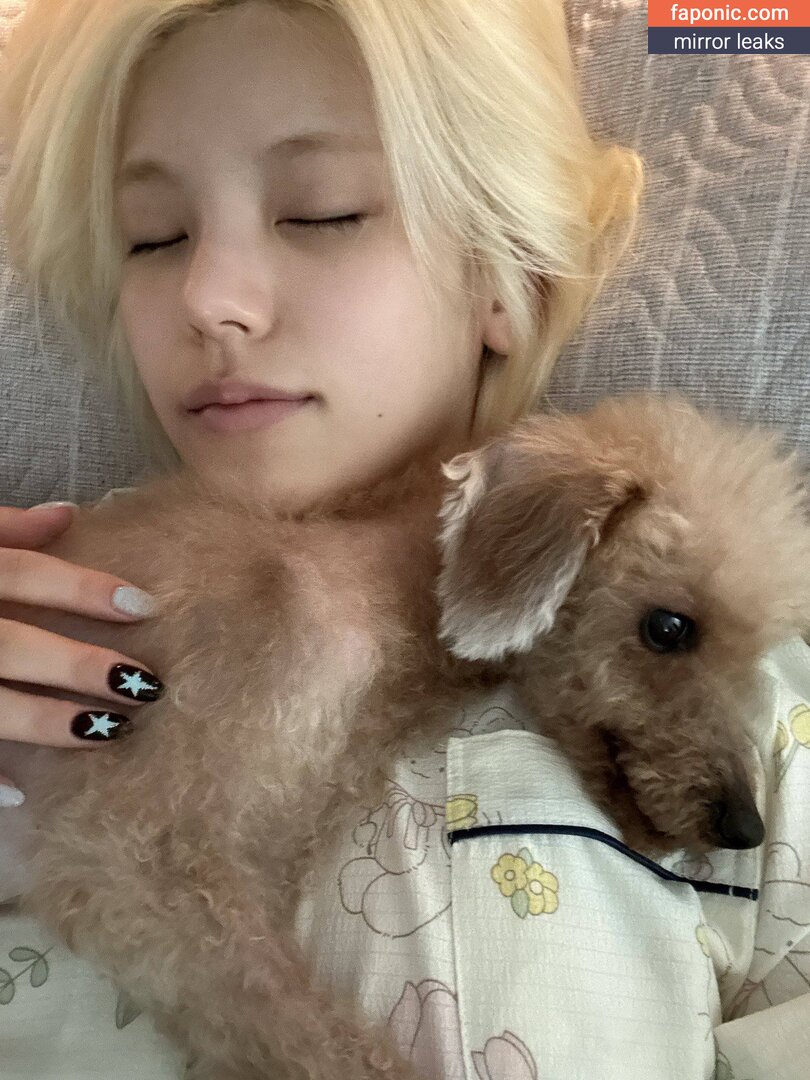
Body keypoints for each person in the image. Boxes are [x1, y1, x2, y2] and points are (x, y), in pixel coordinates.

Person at [0, 2, 806, 1078]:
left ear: (507, 276)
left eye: (323, 212)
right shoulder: (51, 601)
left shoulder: (773, 721)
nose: (210, 299)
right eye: (150, 236)